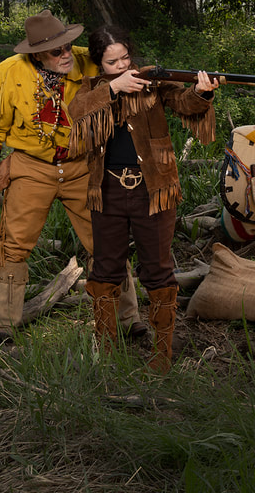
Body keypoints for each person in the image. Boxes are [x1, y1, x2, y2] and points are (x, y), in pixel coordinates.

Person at [0, 10, 145, 343]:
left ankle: (126, 318)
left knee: (106, 240)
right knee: (12, 244)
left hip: (82, 164)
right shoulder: (7, 74)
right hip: (31, 165)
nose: (66, 54)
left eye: (68, 46)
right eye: (56, 51)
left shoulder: (86, 61)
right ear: (35, 52)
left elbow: (122, 67)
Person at [68, 25, 218, 372]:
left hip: (154, 190)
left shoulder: (154, 82)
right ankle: (106, 351)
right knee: (105, 270)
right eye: (111, 62)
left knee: (158, 271)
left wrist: (203, 92)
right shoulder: (92, 89)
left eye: (125, 58)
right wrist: (113, 90)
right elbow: (77, 113)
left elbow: (185, 102)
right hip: (106, 190)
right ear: (98, 64)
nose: (121, 66)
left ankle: (161, 355)